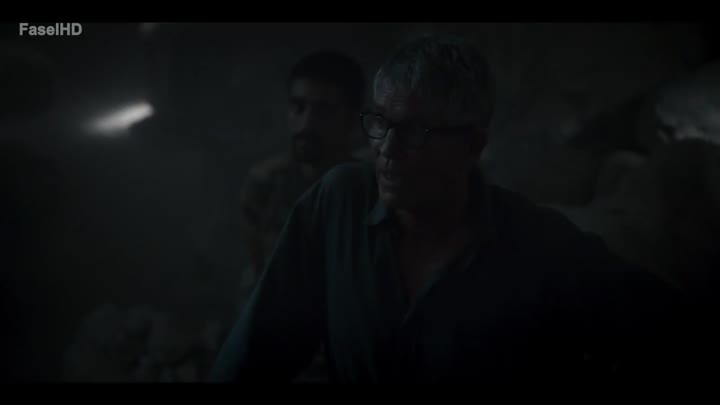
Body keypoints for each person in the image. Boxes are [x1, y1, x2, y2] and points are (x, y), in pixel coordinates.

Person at [210, 35, 699, 384]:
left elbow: (666, 328)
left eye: (415, 132)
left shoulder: (536, 243)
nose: (387, 149)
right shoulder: (338, 202)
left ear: (472, 145)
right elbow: (258, 351)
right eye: (380, 123)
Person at [234, 50, 367, 280]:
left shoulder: (369, 190)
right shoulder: (265, 183)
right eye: (298, 107)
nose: (306, 124)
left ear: (352, 119)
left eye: (323, 111)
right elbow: (258, 274)